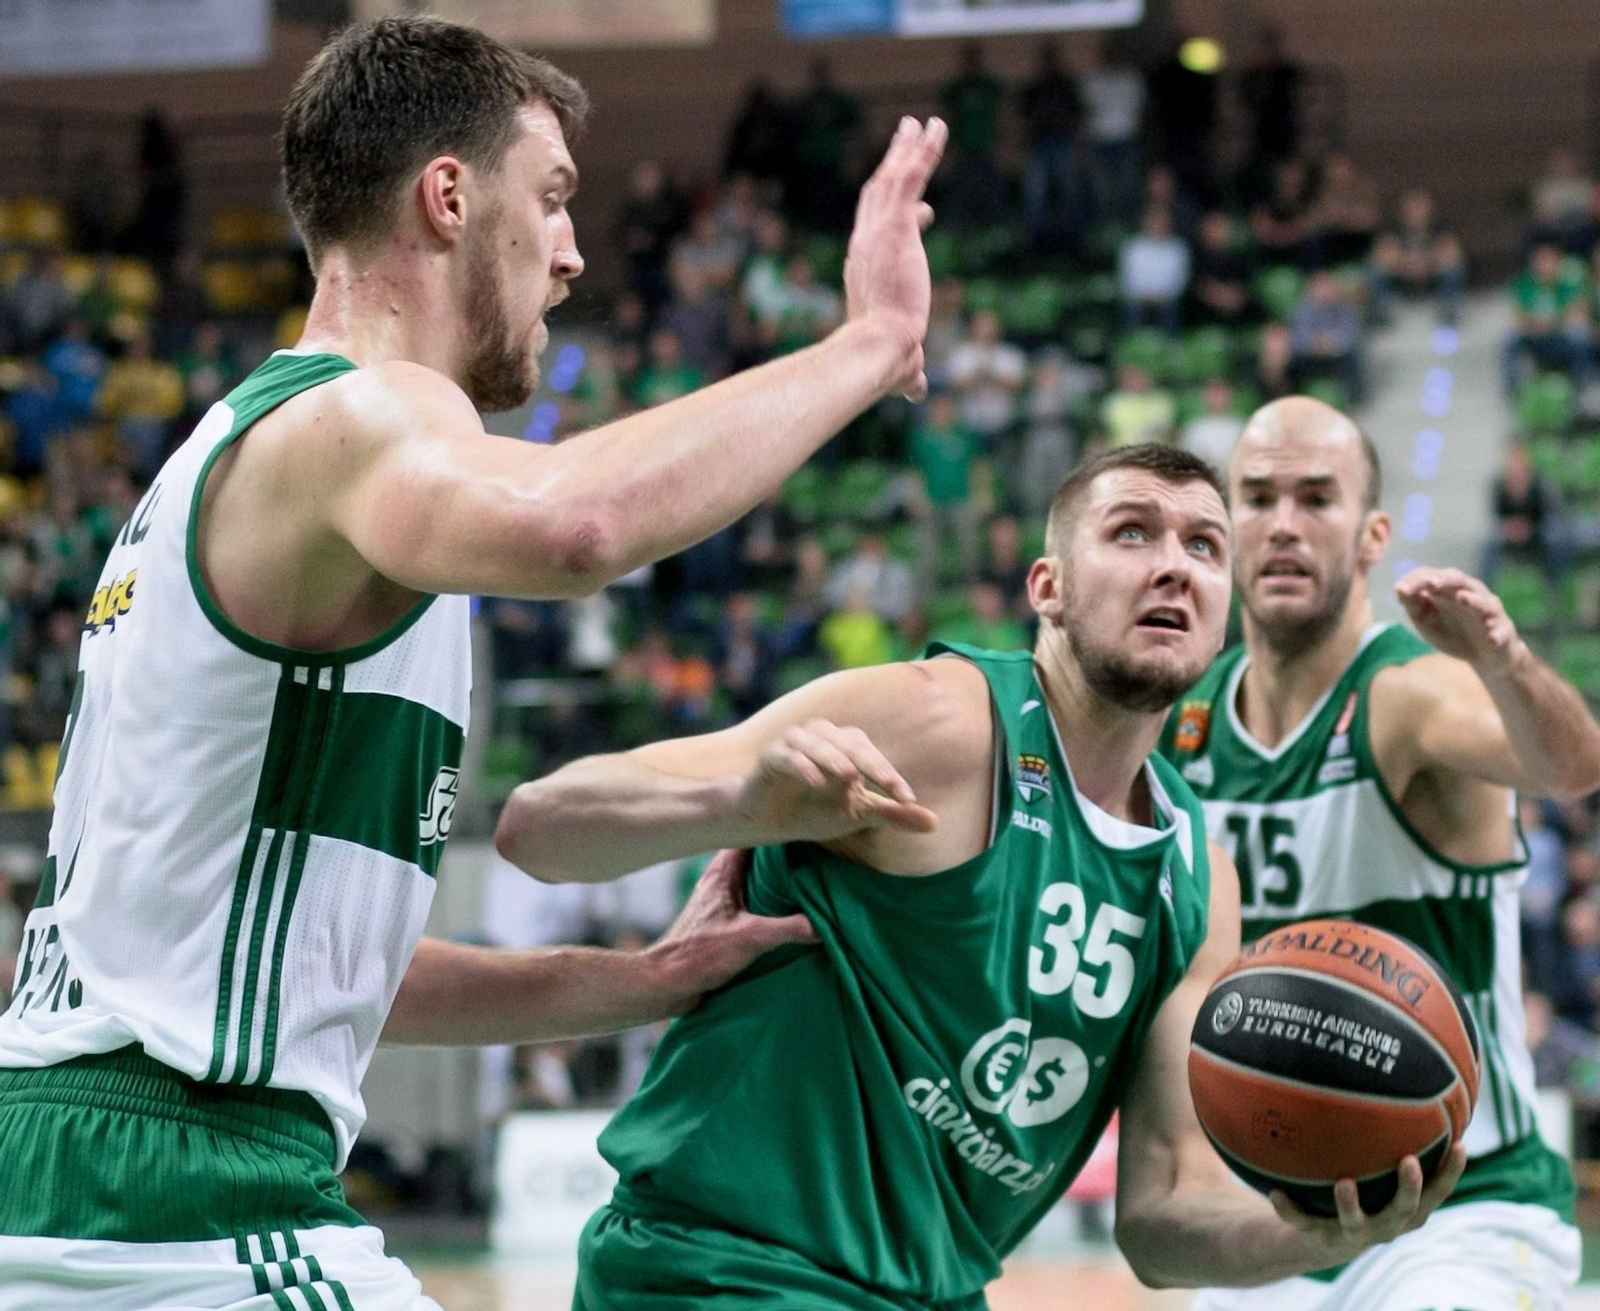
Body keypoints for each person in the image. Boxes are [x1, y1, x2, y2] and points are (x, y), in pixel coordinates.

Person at [0, 16, 950, 1310]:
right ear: (448, 197)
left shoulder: (215, 465)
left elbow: (322, 964)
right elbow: (580, 524)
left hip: (89, 1160)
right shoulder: (360, 414)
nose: (570, 253)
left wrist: (636, 982)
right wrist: (865, 344)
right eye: (551, 199)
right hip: (182, 1189)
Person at [495, 444, 1462, 1311]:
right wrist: (742, 801)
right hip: (724, 1268)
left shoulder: (1197, 876)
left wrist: (1322, 1231)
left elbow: (1164, 1219)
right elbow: (540, 826)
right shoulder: (945, 722)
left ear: (1225, 617)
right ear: (1048, 585)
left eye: (1207, 547)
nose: (1174, 562)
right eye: (1132, 532)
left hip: (938, 1295)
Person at [1160, 396, 1597, 1311]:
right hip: (1277, 1211)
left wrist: (1506, 661)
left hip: (1465, 1209)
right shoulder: (1184, 724)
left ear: (1371, 534)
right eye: (1258, 496)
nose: (1283, 524)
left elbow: (1572, 766)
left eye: (1317, 497)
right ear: (1223, 525)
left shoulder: (1407, 695)